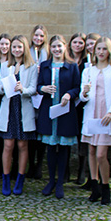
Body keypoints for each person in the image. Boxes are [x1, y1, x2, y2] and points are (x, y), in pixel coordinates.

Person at [79, 37, 111, 205]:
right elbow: (82, 97)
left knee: (101, 154)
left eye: (104, 49)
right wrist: (84, 93)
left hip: (106, 115)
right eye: (98, 49)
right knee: (91, 151)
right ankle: (94, 185)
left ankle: (106, 186)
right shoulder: (88, 70)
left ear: (109, 51)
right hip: (92, 113)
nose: (100, 52)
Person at [36, 35, 80, 199]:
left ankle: (61, 181)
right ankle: (51, 180)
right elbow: (38, 86)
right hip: (49, 111)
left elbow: (77, 87)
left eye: (59, 46)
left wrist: (69, 94)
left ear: (64, 47)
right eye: (53, 47)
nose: (56, 49)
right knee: (50, 149)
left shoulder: (72, 66)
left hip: (65, 111)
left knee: (63, 148)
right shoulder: (45, 65)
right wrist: (43, 89)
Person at [0, 35, 37, 196]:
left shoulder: (32, 66)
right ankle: (6, 178)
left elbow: (34, 89)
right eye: (14, 47)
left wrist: (23, 89)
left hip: (23, 108)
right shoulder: (6, 65)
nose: (16, 50)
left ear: (25, 48)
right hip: (9, 108)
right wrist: (4, 87)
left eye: (19, 47)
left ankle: (20, 178)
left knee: (22, 145)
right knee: (8, 145)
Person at [67, 32, 90, 186]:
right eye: (75, 42)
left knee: (83, 138)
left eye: (81, 43)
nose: (77, 45)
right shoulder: (67, 61)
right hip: (69, 101)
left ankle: (83, 170)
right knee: (68, 136)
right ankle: (67, 170)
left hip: (83, 103)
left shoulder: (87, 62)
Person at [28, 24, 49, 180]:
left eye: (41, 36)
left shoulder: (47, 53)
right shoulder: (28, 52)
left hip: (42, 96)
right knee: (30, 132)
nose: (38, 38)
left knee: (40, 132)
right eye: (36, 35)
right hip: (30, 95)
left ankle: (39, 164)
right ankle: (31, 164)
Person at [0, 33, 12, 178]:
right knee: (0, 136)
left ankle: (12, 165)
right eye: (2, 44)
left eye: (7, 44)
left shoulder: (14, 64)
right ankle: (1, 166)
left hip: (10, 100)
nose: (4, 47)